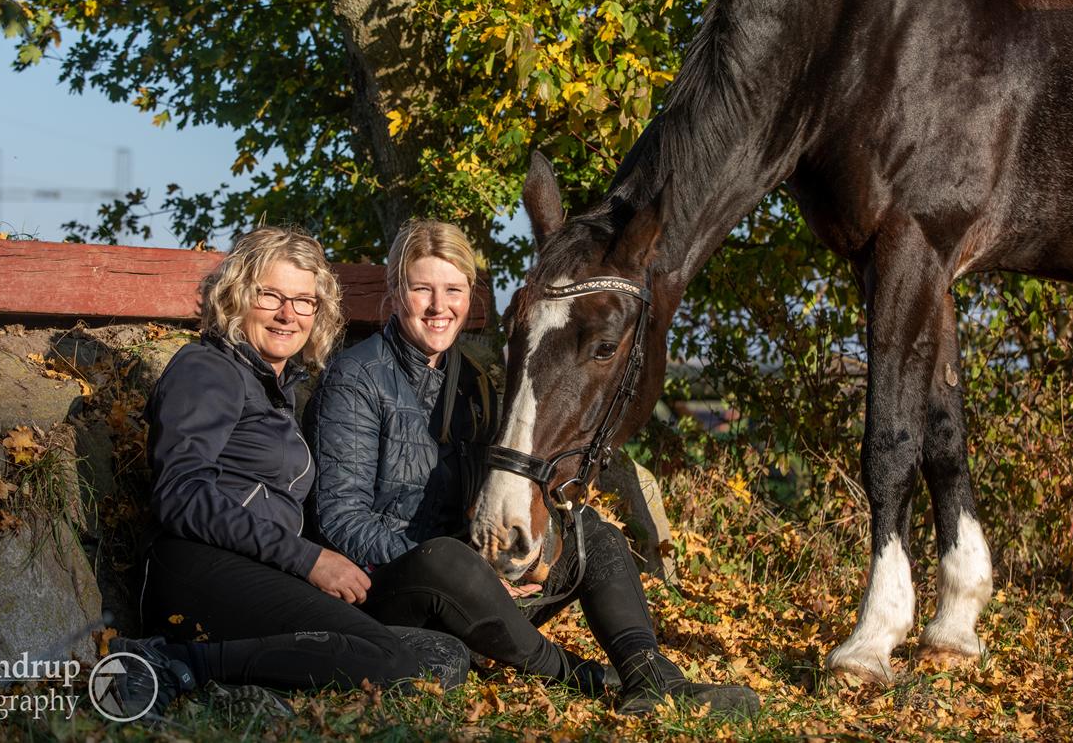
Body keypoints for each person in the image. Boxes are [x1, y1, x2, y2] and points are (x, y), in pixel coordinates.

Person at [304, 219, 760, 716]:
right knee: (445, 560)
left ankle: (649, 674)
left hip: (472, 585)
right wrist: (467, 574)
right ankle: (585, 677)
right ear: (396, 293)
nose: (439, 306)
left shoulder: (471, 382)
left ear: (469, 295)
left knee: (590, 534)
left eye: (453, 290)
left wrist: (505, 559)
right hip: (390, 590)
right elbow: (340, 518)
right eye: (422, 289)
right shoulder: (356, 379)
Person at [116, 227, 468, 718]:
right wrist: (307, 558)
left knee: (443, 654)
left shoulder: (276, 390)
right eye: (271, 296)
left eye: (304, 301)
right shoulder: (206, 368)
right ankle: (172, 663)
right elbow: (180, 494)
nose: (289, 314)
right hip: (196, 566)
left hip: (262, 570)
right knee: (390, 659)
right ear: (236, 296)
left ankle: (245, 678)